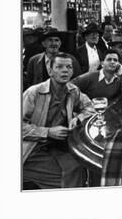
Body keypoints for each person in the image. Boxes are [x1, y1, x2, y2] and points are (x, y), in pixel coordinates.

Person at [22, 53, 96, 189]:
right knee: (68, 176)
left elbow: (90, 107)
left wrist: (78, 118)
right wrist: (48, 132)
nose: (65, 70)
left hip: (57, 146)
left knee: (83, 165)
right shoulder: (34, 92)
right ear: (50, 71)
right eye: (59, 67)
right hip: (32, 150)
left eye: (69, 67)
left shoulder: (73, 90)